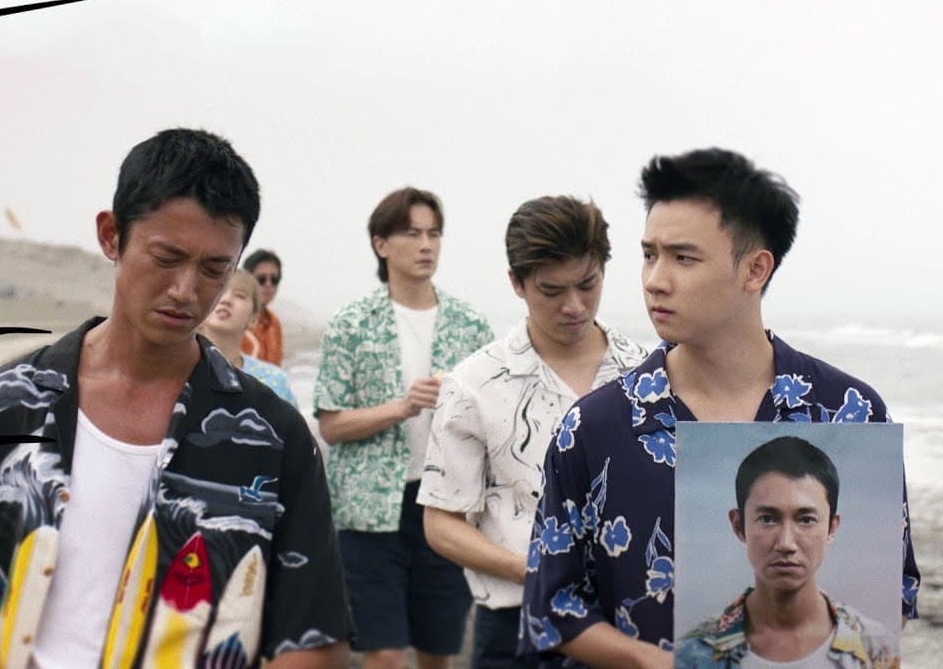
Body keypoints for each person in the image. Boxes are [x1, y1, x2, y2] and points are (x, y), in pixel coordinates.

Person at [0, 129, 352, 669]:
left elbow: (313, 636)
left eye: (214, 269)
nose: (186, 290)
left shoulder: (276, 437)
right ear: (111, 235)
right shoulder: (1, 407)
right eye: (166, 257)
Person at [520, 148, 919, 668]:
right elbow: (553, 606)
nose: (655, 279)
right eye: (649, 255)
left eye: (683, 258)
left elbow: (894, 597)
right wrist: (654, 661)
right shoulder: (596, 428)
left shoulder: (850, 412)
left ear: (755, 269)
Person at [416, 195, 647, 669]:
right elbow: (441, 522)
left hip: (633, 622)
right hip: (515, 625)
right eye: (551, 290)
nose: (574, 306)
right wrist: (538, 570)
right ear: (517, 283)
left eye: (588, 284)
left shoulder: (648, 374)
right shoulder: (474, 385)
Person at [314, 187, 494, 669]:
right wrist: (401, 407)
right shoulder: (351, 324)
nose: (426, 245)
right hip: (369, 510)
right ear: (381, 244)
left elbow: (494, 421)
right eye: (412, 233)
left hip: (447, 505)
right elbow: (330, 425)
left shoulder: (471, 325)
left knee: (438, 653)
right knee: (387, 655)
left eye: (434, 233)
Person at [675, 435, 898, 668]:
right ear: (739, 526)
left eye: (806, 519)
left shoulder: (878, 650)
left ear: (832, 528)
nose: (786, 543)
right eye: (768, 519)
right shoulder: (691, 655)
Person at [201, 267, 298, 407]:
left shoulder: (273, 381)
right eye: (220, 291)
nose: (226, 300)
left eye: (240, 295)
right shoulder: (178, 371)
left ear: (254, 319)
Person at [241, 248, 285, 366]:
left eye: (274, 279)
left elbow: (276, 368)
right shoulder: (233, 318)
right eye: (261, 279)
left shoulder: (274, 323)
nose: (268, 284)